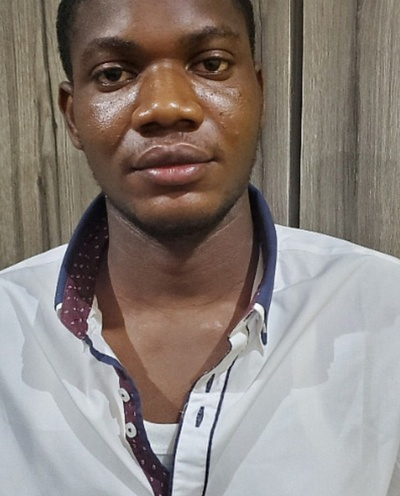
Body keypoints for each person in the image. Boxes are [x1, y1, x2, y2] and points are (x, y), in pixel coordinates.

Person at [1, 0, 400, 494]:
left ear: (259, 92)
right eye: (113, 74)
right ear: (72, 115)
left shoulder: (385, 312)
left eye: (210, 64)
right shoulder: (8, 325)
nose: (166, 107)